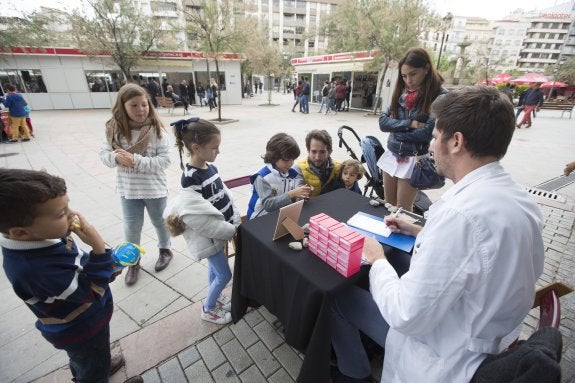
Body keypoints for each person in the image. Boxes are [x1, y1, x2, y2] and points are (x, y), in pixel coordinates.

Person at [330, 86, 544, 383]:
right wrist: (420, 230)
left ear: (456, 142)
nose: (430, 146)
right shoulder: (521, 200)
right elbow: (481, 256)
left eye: (434, 136)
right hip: (489, 338)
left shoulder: (458, 215)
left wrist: (377, 259)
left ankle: (354, 373)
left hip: (441, 358)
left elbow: (405, 314)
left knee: (337, 297)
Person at [0, 168, 143, 383]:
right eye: (61, 214)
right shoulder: (34, 269)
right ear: (20, 232)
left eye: (68, 206)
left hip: (83, 325)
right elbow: (90, 292)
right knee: (91, 364)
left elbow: (79, 265)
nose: (72, 215)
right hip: (82, 329)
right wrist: (98, 248)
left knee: (87, 360)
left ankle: (94, 368)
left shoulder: (44, 237)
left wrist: (106, 264)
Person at [165, 118, 241, 324]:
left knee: (214, 270)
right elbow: (197, 216)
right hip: (211, 236)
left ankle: (214, 298)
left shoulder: (210, 168)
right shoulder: (190, 178)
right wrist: (228, 229)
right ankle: (208, 309)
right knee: (225, 275)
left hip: (221, 230)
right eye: (214, 148)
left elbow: (222, 194)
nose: (218, 152)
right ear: (196, 148)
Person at [100, 84, 173, 286]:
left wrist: (136, 161)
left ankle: (165, 249)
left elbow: (165, 161)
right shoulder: (113, 130)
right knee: (132, 227)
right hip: (128, 190)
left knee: (160, 222)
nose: (141, 109)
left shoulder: (157, 131)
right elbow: (104, 156)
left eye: (144, 104)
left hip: (155, 189)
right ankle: (133, 261)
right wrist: (115, 157)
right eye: (134, 105)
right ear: (122, 107)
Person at [377, 47, 447, 211]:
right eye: (404, 75)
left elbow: (426, 133)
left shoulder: (440, 96)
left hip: (413, 158)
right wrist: (409, 124)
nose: (408, 80)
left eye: (413, 74)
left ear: (426, 69)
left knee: (402, 212)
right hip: (392, 154)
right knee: (389, 207)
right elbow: (382, 122)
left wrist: (395, 130)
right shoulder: (401, 91)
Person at [246, 133, 312, 220]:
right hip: (258, 219)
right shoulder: (262, 177)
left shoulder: (291, 173)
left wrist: (302, 193)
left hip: (280, 215)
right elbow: (268, 205)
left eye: (293, 159)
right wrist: (292, 194)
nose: (291, 163)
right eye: (286, 160)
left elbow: (290, 198)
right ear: (274, 156)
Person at [293, 129, 341, 197]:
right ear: (308, 150)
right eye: (314, 152)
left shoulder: (340, 168)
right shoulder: (298, 169)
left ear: (329, 152)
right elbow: (297, 198)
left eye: (322, 152)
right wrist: (301, 196)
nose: (317, 157)